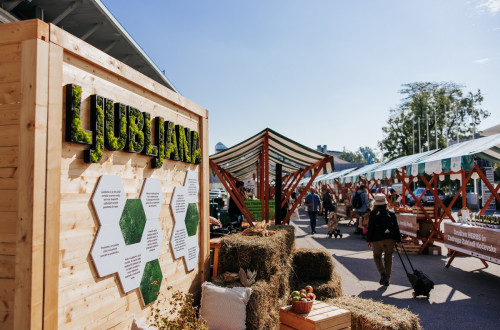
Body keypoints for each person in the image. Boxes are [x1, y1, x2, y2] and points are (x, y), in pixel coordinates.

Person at [366, 194, 402, 286]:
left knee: (377, 256)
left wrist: (368, 240)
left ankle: (383, 273)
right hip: (390, 238)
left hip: (377, 238)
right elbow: (396, 228)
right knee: (388, 257)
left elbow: (370, 228)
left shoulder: (373, 213)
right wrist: (398, 240)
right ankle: (387, 278)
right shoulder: (391, 213)